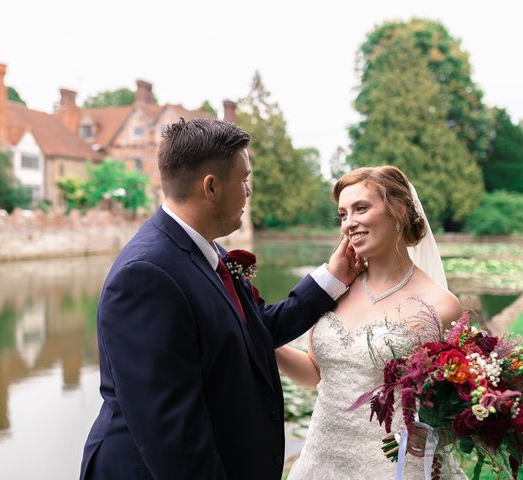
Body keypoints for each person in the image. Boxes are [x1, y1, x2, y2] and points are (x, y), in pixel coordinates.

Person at [79, 118, 363, 480]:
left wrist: (331, 279)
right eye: (244, 180)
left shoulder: (205, 251)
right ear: (211, 187)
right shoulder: (146, 276)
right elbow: (172, 434)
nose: (248, 192)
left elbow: (258, 327)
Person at [277, 166, 468, 479]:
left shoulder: (440, 305)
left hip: (392, 464)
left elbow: (452, 406)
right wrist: (262, 336)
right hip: (320, 461)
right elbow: (316, 374)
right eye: (342, 214)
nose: (349, 223)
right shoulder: (332, 290)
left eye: (361, 208)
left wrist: (437, 432)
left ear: (399, 211)